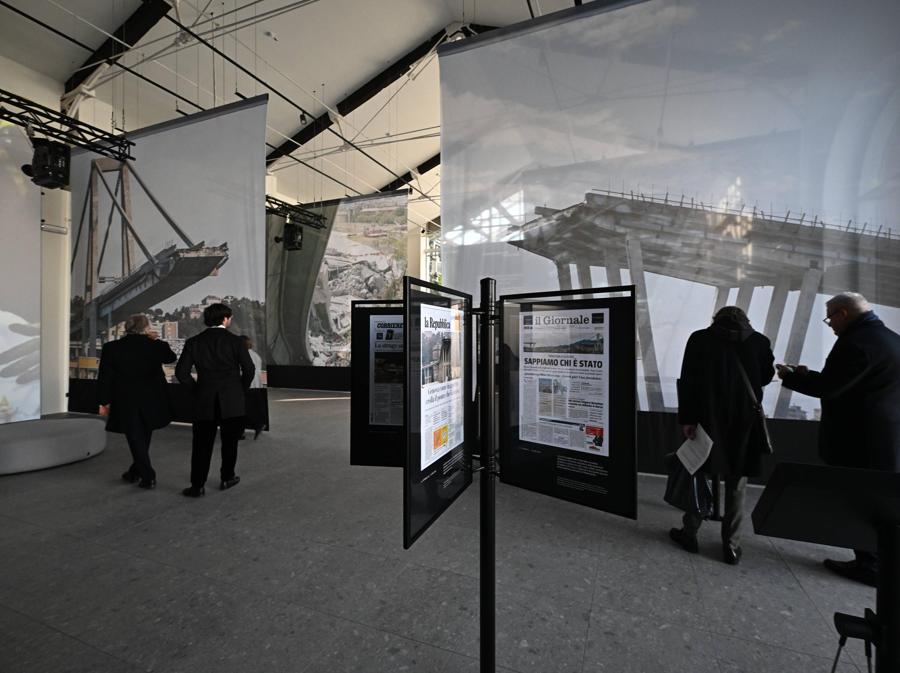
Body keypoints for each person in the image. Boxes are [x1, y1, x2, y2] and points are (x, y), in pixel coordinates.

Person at [778, 292, 900, 586]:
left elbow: (831, 387)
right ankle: (877, 561)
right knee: (875, 500)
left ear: (843, 313)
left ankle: (869, 565)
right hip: (885, 435)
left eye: (830, 317)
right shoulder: (890, 339)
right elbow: (852, 381)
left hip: (860, 439)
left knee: (858, 500)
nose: (830, 324)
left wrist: (791, 376)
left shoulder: (856, 343)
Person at [669, 306, 775, 565]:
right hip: (744, 424)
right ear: (746, 321)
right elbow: (765, 377)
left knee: (698, 475)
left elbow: (688, 381)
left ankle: (690, 533)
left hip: (708, 420)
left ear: (715, 320)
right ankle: (731, 545)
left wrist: (687, 420)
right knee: (737, 485)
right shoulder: (759, 342)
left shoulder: (699, 339)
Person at [175, 303, 255, 497]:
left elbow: (181, 373)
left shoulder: (194, 342)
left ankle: (197, 486)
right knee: (230, 443)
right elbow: (249, 370)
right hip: (232, 401)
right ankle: (227, 478)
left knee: (201, 445)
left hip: (204, 401)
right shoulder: (236, 342)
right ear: (225, 319)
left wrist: (197, 390)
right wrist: (240, 390)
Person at [97, 314, 177, 489]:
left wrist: (103, 401)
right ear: (146, 328)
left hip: (126, 397)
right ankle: (143, 473)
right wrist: (156, 340)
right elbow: (171, 358)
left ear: (127, 327)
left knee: (134, 435)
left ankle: (141, 473)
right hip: (153, 397)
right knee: (144, 433)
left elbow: (105, 377)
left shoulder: (112, 347)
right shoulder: (156, 345)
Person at [240, 335, 265, 440]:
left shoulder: (241, 355)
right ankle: (257, 425)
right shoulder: (256, 355)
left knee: (241, 411)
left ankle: (241, 432)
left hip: (245, 386)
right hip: (256, 386)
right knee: (251, 409)